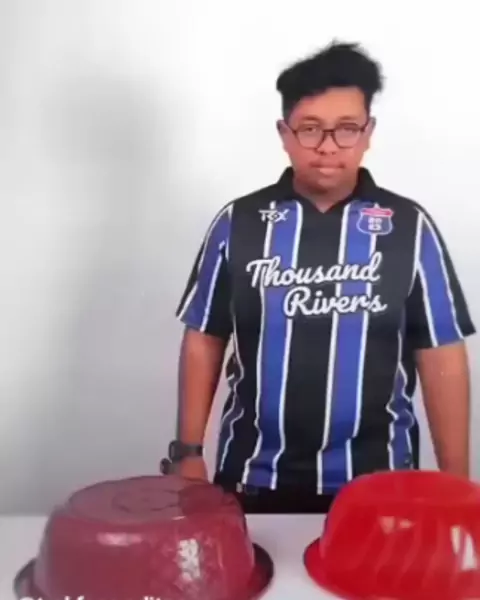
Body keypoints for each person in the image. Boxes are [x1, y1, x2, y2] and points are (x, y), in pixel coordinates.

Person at [164, 41, 475, 514]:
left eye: (346, 128)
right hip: (251, 478)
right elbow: (204, 338)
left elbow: (441, 355)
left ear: (368, 133)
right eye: (310, 129)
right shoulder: (239, 223)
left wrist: (457, 487)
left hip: (379, 483)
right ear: (284, 134)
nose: (328, 146)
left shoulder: (410, 228)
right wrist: (188, 452)